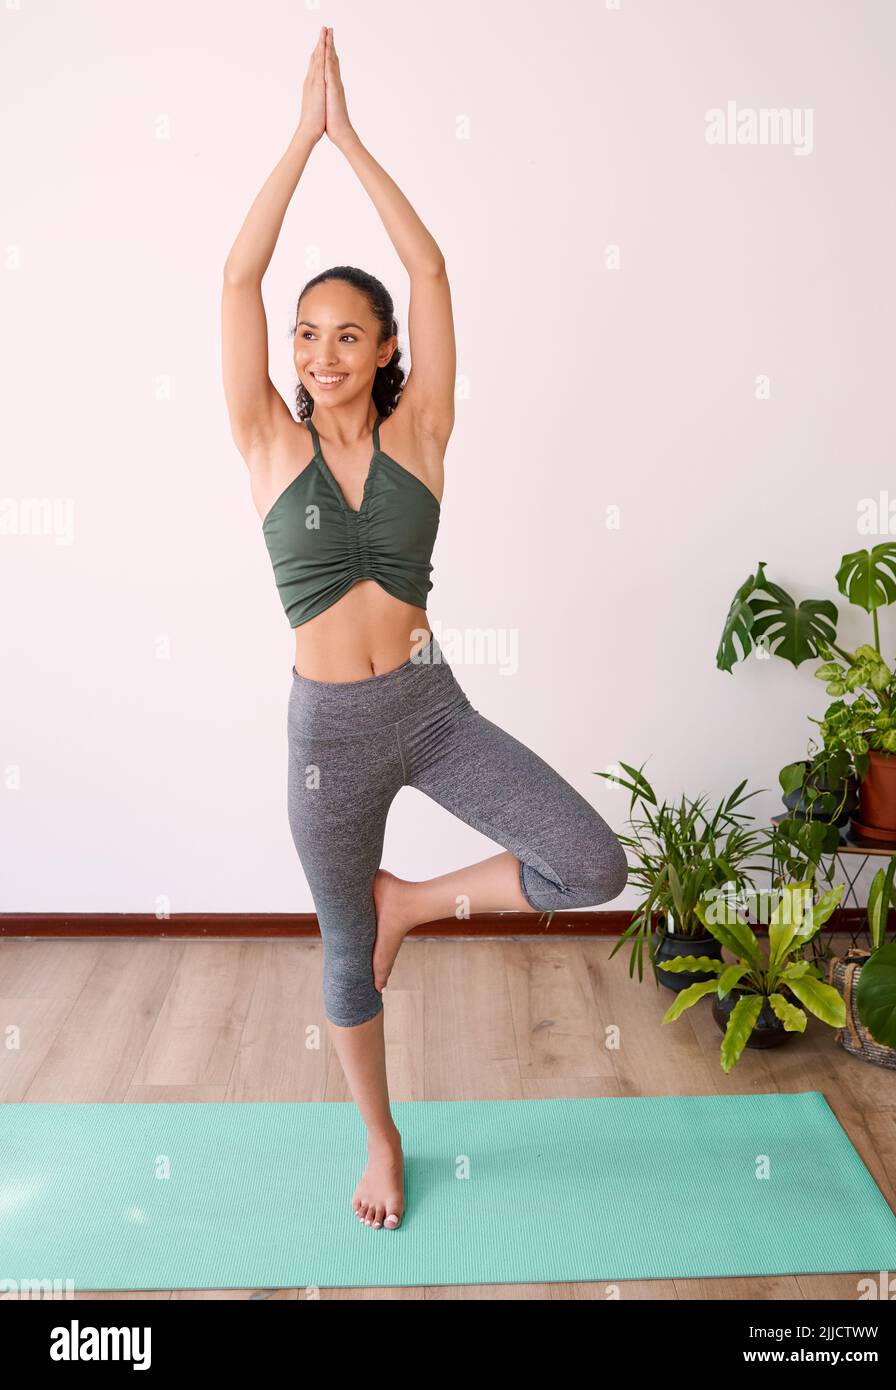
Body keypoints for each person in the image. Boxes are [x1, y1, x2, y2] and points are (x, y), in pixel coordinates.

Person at [221, 27, 628, 1233]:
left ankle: (417, 902)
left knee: (588, 863)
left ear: (386, 348)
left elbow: (435, 269)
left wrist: (356, 143)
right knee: (344, 959)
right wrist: (299, 140)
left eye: (348, 333)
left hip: (429, 707)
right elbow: (234, 282)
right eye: (307, 335)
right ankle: (382, 1140)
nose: (321, 352)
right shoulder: (265, 445)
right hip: (327, 735)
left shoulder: (422, 436)